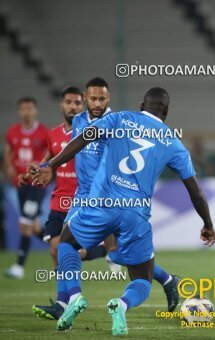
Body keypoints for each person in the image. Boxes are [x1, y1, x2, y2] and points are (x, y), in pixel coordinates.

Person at [32, 87, 215, 335]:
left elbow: (85, 136)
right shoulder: (173, 142)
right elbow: (195, 190)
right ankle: (122, 304)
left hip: (101, 205)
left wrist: (52, 164)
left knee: (65, 243)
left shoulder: (120, 118)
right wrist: (207, 224)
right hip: (136, 213)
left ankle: (74, 295)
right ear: (167, 112)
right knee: (142, 278)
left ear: (142, 105)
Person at [31, 86, 115, 320]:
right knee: (61, 248)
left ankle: (165, 279)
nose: (96, 103)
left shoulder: (113, 123)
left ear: (108, 98)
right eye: (92, 99)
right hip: (75, 196)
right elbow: (65, 150)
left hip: (101, 195)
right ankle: (64, 301)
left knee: (122, 254)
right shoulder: (76, 122)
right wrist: (45, 167)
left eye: (101, 99)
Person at [5, 97, 48, 279]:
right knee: (36, 227)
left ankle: (19, 266)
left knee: (25, 223)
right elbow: (9, 154)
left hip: (37, 185)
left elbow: (49, 156)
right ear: (19, 111)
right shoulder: (13, 132)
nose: (26, 112)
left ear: (36, 110)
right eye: (23, 108)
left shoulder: (44, 133)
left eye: (30, 108)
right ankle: (65, 246)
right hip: (20, 185)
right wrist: (10, 171)